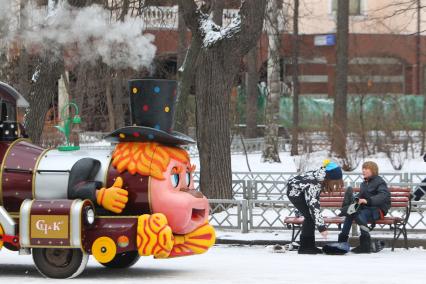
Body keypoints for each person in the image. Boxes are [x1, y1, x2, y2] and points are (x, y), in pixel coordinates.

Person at [287, 160, 344, 254]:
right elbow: (314, 208)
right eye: (334, 182)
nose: (335, 185)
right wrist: (322, 228)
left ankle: (309, 246)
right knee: (310, 216)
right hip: (294, 193)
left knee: (310, 217)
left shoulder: (321, 176)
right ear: (329, 178)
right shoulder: (314, 184)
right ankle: (305, 247)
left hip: (299, 190)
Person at [337, 161, 391, 254]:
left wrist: (367, 201)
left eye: (366, 169)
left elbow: (383, 195)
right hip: (366, 209)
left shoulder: (380, 182)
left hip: (377, 210)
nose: (363, 170)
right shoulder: (364, 184)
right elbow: (360, 197)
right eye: (363, 168)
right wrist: (352, 203)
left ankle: (365, 245)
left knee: (359, 213)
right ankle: (342, 242)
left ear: (373, 170)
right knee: (351, 213)